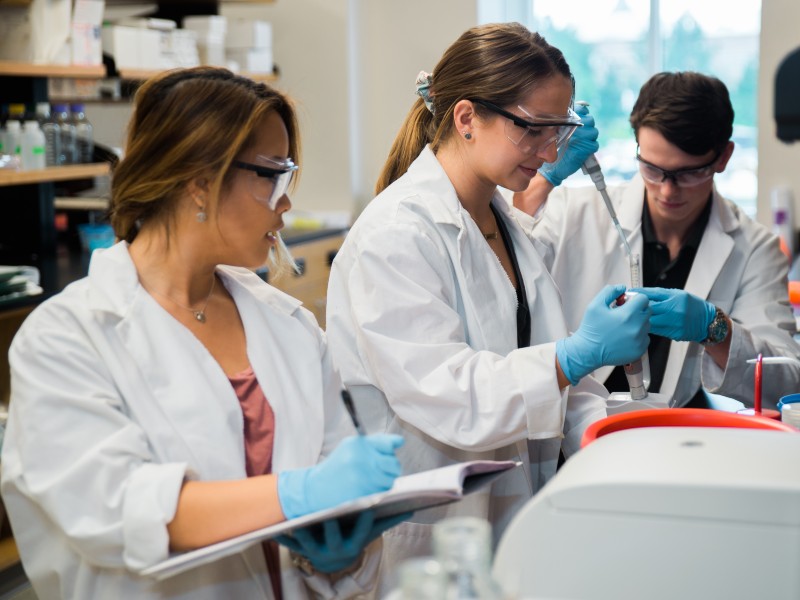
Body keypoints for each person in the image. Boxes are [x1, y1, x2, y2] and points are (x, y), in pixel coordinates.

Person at [0, 66, 407, 600]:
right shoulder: (65, 338)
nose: (285, 203)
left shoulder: (288, 324)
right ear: (199, 180)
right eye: (272, 174)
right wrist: (299, 493)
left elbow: (337, 497)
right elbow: (126, 512)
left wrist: (339, 552)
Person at [324, 22, 652, 589]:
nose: (551, 150)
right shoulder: (395, 236)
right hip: (425, 538)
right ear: (467, 118)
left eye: (560, 127)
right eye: (534, 128)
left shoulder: (502, 223)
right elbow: (448, 391)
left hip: (508, 520)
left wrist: (627, 433)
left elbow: (536, 369)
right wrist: (569, 358)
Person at [512, 71, 800, 409]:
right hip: (575, 434)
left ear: (723, 158)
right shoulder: (575, 214)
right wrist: (543, 180)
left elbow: (786, 382)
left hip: (680, 437)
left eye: (688, 173)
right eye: (652, 168)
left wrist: (714, 327)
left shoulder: (756, 249)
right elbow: (505, 265)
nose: (667, 190)